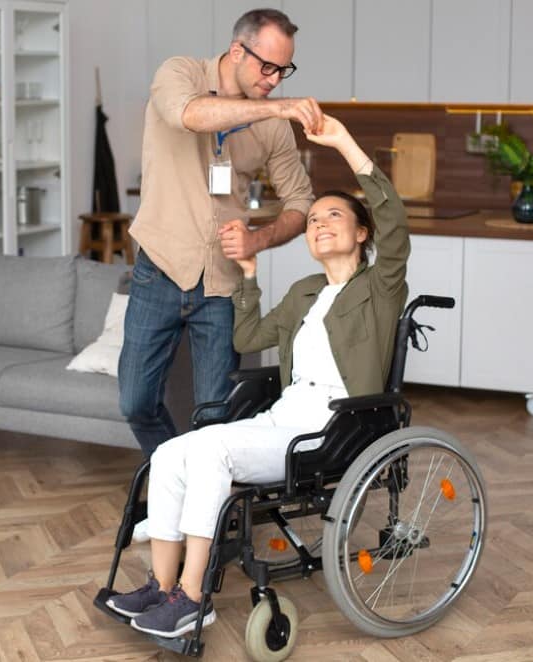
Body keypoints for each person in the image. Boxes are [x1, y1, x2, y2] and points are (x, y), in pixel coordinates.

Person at [105, 115, 411, 638]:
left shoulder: (378, 288)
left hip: (335, 425)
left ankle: (193, 597)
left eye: (333, 215)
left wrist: (341, 142)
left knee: (211, 452)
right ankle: (161, 587)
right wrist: (249, 276)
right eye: (312, 219)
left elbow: (395, 220)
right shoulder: (306, 292)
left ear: (363, 233)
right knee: (173, 451)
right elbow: (248, 340)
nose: (318, 224)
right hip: (285, 415)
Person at [119, 8, 323, 459]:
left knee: (215, 418)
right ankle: (180, 475)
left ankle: (207, 511)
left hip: (223, 283)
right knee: (134, 403)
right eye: (266, 66)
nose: (274, 79)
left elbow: (301, 203)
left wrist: (259, 240)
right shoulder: (180, 73)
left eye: (283, 69)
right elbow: (190, 115)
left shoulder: (272, 124)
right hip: (159, 271)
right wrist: (281, 107)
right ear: (236, 50)